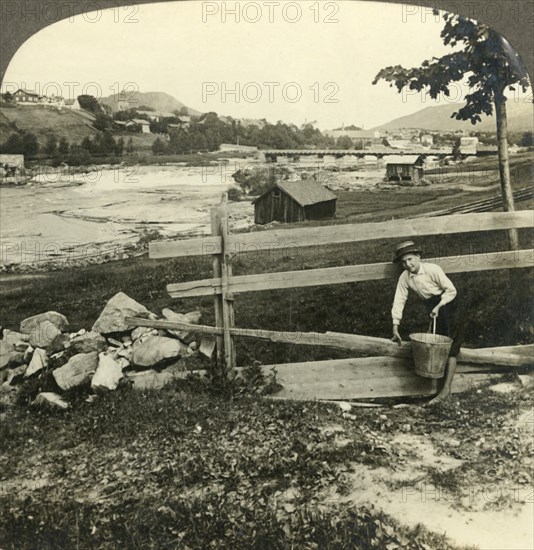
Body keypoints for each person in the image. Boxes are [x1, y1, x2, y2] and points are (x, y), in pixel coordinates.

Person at [390, 240, 463, 404]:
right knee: (436, 345)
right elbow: (399, 299)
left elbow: (451, 290)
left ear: (418, 256)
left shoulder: (433, 270)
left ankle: (446, 391)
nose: (408, 265)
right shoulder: (405, 277)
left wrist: (440, 305)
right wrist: (395, 325)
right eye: (403, 262)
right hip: (433, 308)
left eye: (410, 259)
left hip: (449, 305)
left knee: (449, 347)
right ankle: (436, 389)